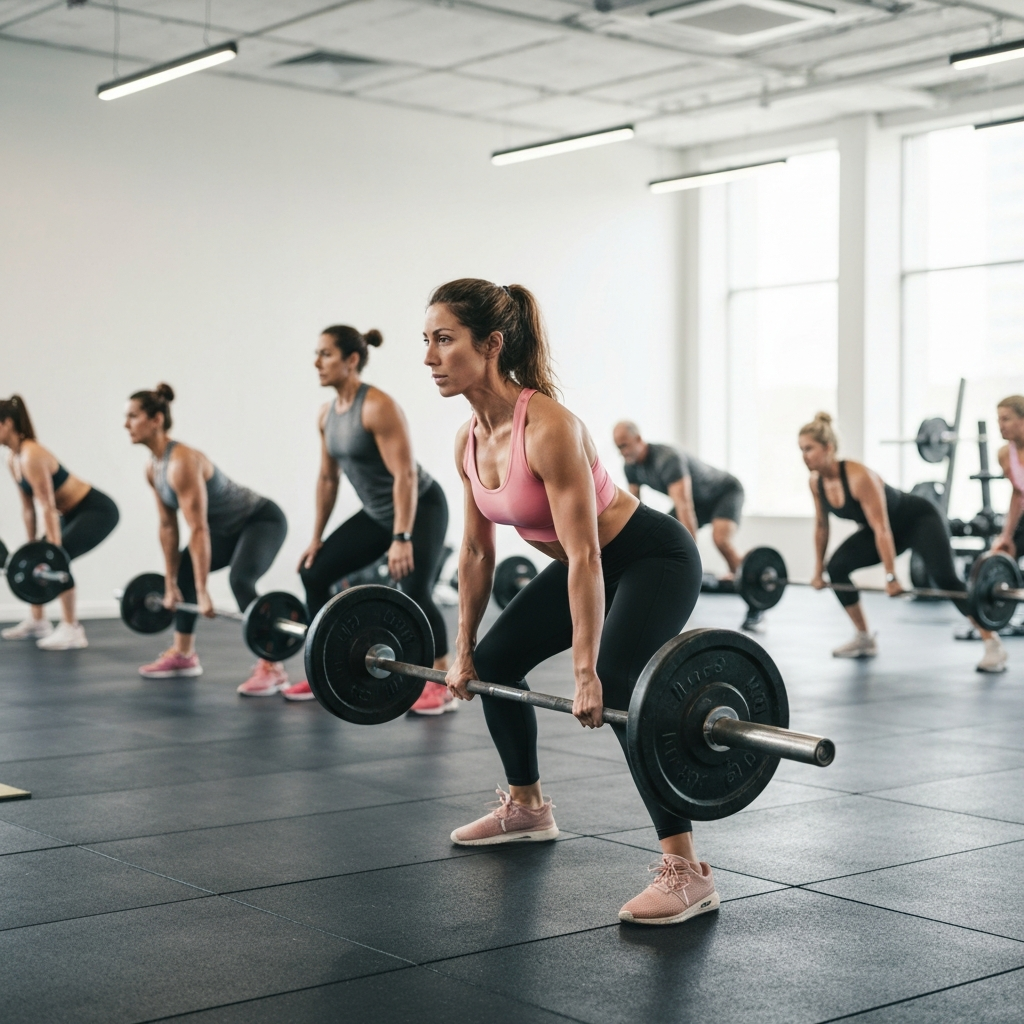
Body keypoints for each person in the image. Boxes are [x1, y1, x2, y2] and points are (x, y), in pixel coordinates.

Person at [425, 278, 714, 926]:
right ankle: (527, 807)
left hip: (651, 558)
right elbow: (475, 555)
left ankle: (687, 871)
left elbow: (586, 555)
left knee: (618, 685)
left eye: (444, 340)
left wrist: (586, 672)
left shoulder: (549, 427)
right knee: (496, 664)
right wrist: (463, 649)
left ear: (491, 344)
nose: (430, 357)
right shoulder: (468, 440)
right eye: (428, 341)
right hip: (590, 562)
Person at [286, 325, 451, 710]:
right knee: (313, 573)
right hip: (378, 514)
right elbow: (328, 478)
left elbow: (405, 475)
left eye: (325, 354)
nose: (317, 362)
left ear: (352, 360)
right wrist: (316, 538)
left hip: (421, 507)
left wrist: (402, 537)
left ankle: (441, 680)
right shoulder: (327, 415)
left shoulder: (378, 406)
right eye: (318, 353)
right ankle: (322, 666)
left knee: (413, 588)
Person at [799, 412, 1007, 672]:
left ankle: (992, 643)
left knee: (945, 580)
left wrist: (890, 576)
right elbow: (821, 525)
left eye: (809, 449)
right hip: (888, 530)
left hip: (918, 519)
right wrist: (818, 570)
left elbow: (881, 527)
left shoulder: (858, 476)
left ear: (828, 447)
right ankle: (864, 638)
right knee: (837, 567)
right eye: (801, 450)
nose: (804, 456)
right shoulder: (816, 483)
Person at [125, 384, 289, 692]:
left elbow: (198, 529)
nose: (126, 425)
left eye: (133, 416)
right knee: (184, 571)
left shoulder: (182, 462)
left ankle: (272, 665)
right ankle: (184, 654)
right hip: (225, 529)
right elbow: (168, 527)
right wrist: (172, 582)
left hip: (260, 520)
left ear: (157, 419)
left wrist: (202, 593)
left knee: (241, 580)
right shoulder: (153, 467)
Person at [613, 422, 760, 629]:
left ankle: (755, 595)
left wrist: (690, 562)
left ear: (638, 439)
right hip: (697, 502)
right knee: (662, 534)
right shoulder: (631, 467)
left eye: (625, 445)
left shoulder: (667, 459)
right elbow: (634, 512)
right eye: (618, 447)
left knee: (721, 540)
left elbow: (684, 507)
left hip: (723, 493)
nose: (623, 452)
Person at [0, 395, 119, 649]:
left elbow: (47, 507)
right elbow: (28, 508)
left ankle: (71, 628)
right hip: (70, 514)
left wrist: (52, 550)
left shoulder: (32, 454)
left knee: (57, 557)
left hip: (96, 510)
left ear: (7, 423)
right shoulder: (13, 458)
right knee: (32, 558)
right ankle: (38, 621)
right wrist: (32, 545)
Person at [992, 395, 1024, 564]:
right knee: (1002, 556)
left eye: (1006, 419)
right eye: (999, 419)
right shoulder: (1004, 455)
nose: (1000, 426)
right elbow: (1018, 493)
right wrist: (1006, 536)